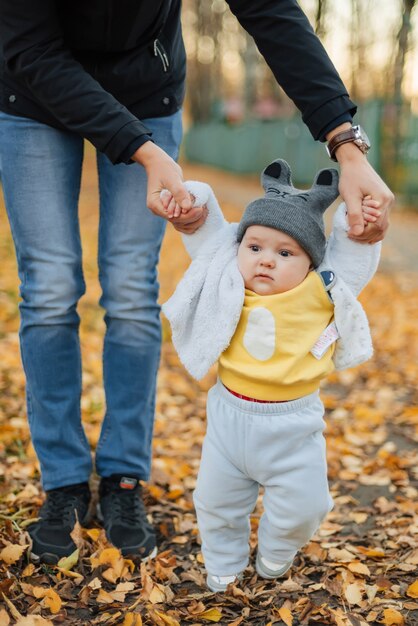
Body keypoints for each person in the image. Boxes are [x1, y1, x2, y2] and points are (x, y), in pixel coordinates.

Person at [0, 1, 392, 564]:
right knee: (50, 288)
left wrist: (346, 145)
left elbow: (273, 16)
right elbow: (32, 50)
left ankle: (123, 481)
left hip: (146, 89)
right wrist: (141, 149)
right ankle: (62, 483)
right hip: (31, 96)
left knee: (133, 290)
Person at [162, 159, 382, 592]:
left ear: (310, 262)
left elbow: (354, 255)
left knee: (307, 505)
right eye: (255, 247)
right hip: (229, 419)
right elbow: (208, 236)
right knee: (215, 502)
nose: (265, 261)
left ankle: (277, 552)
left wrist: (358, 223)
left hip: (292, 425)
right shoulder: (226, 278)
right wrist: (197, 200)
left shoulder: (322, 290)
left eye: (285, 253)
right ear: (239, 248)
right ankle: (224, 562)